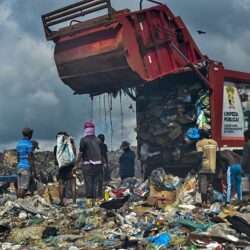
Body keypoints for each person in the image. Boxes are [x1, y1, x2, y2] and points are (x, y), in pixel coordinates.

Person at [75, 122, 102, 207]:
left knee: (89, 184)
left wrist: (76, 165)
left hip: (87, 165)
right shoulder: (98, 140)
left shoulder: (83, 140)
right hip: (98, 165)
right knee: (95, 184)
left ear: (85, 130)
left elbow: (80, 154)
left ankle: (89, 205)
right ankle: (94, 204)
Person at [54, 132, 76, 206]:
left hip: (62, 168)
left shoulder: (56, 147)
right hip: (71, 167)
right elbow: (74, 155)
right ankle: (74, 203)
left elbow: (56, 161)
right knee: (73, 185)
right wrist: (73, 144)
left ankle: (61, 202)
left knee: (61, 185)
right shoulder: (69, 146)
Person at [16, 127, 37, 198]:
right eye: (31, 134)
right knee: (24, 188)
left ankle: (18, 204)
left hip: (19, 167)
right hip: (26, 167)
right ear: (29, 134)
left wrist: (20, 164)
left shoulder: (19, 144)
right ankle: (21, 203)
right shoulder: (29, 144)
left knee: (19, 187)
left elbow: (18, 157)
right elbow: (30, 158)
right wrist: (33, 170)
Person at [97, 134, 109, 198]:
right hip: (101, 164)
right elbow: (105, 156)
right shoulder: (104, 146)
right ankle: (100, 194)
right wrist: (106, 163)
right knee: (101, 180)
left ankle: (96, 194)